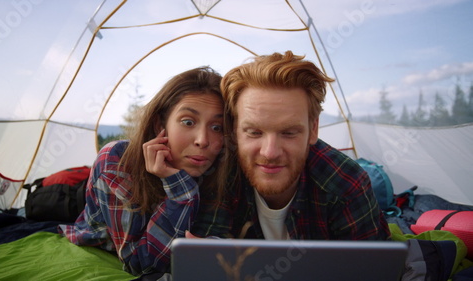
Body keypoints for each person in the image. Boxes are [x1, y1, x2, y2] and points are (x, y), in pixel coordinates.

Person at [191, 51, 390, 241]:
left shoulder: (346, 182)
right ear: (235, 130)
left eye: (288, 133)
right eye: (254, 132)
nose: (270, 152)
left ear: (313, 130)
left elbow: (370, 269)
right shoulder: (220, 173)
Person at [59, 66, 225, 276]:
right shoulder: (118, 161)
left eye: (217, 127)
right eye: (188, 122)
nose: (202, 140)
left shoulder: (221, 165)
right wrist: (181, 192)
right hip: (100, 242)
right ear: (159, 125)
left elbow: (219, 237)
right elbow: (141, 263)